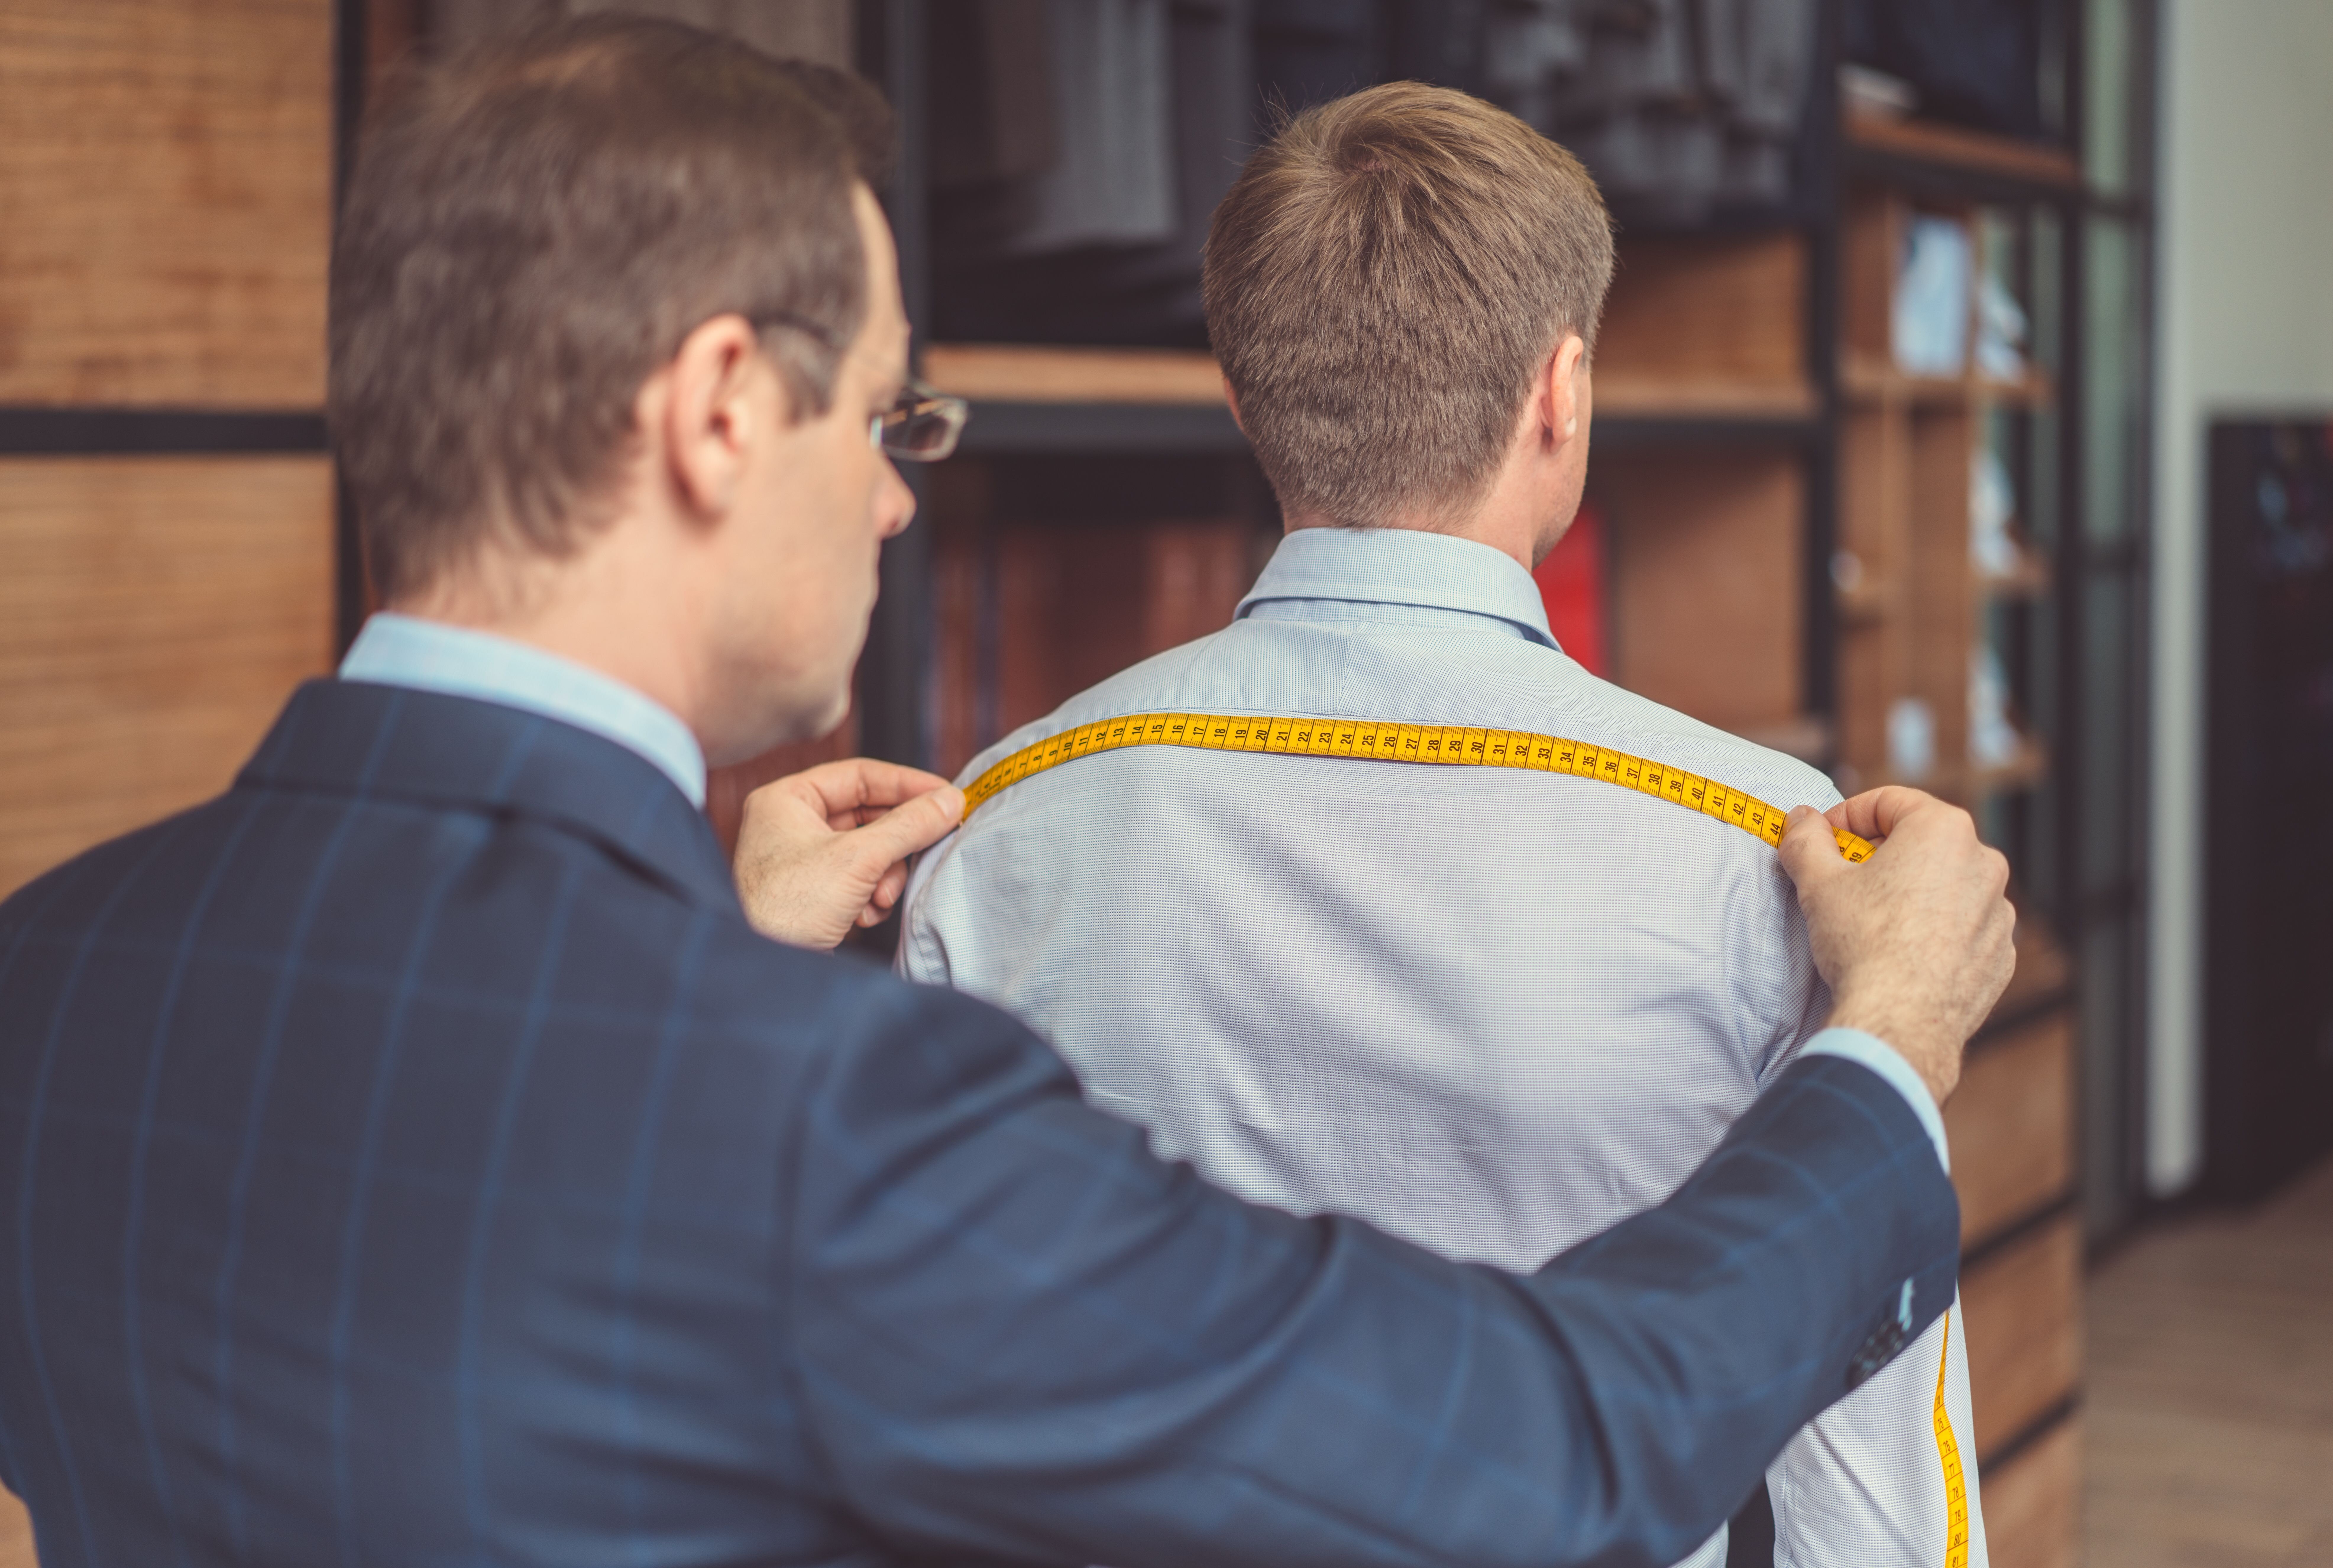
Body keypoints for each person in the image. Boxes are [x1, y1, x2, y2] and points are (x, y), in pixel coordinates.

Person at [0, 20, 2010, 1568]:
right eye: (887, 412)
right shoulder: (808, 1114)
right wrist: (1887, 1043)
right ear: (716, 413)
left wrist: (708, 962)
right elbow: (1543, 1453)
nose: (895, 488)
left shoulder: (52, 976)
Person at [899, 82, 1986, 1568]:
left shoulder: (995, 816)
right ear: (1563, 391)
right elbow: (1860, 1456)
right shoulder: (1787, 858)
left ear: (1241, 393)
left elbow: (938, 1356)